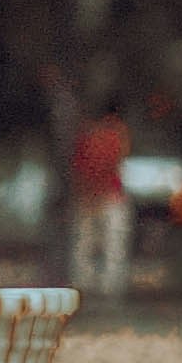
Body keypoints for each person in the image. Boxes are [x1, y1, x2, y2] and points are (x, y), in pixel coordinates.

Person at [70, 107, 135, 300]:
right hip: (104, 197)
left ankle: (91, 286)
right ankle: (104, 287)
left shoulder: (88, 136)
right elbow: (101, 168)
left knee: (87, 245)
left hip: (97, 197)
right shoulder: (110, 136)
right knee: (104, 245)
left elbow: (79, 171)